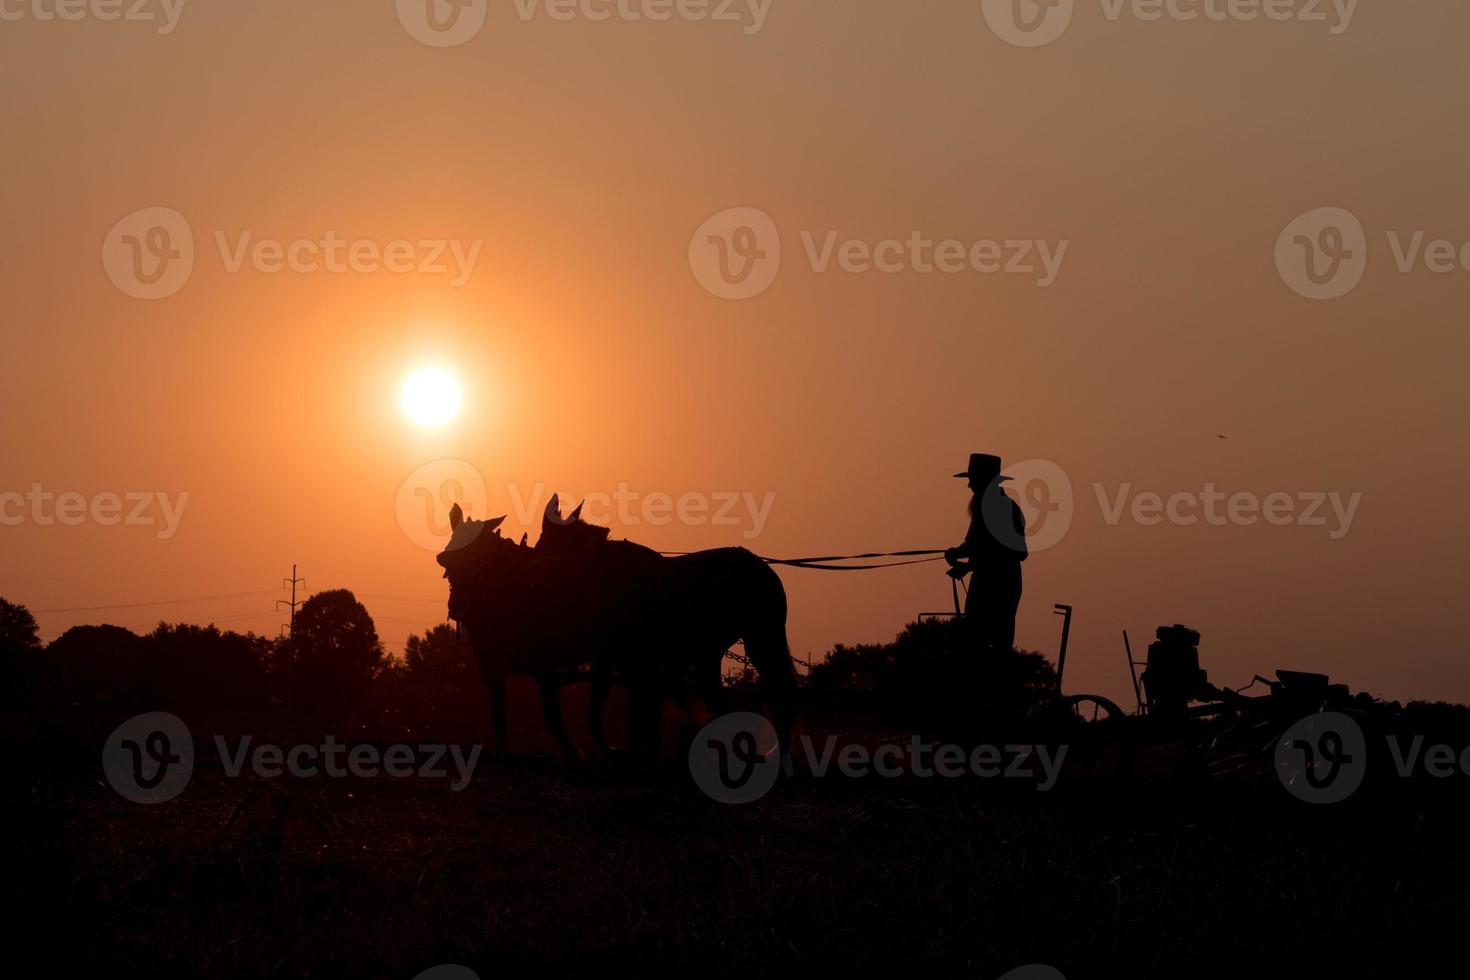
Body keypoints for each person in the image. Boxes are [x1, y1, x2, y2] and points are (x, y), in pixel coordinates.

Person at [944, 453, 1028, 655]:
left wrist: (966, 563)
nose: (969, 485)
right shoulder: (993, 507)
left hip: (997, 583)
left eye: (972, 480)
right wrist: (958, 555)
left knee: (984, 638)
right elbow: (976, 545)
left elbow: (1011, 552)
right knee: (990, 638)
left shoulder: (996, 508)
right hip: (997, 580)